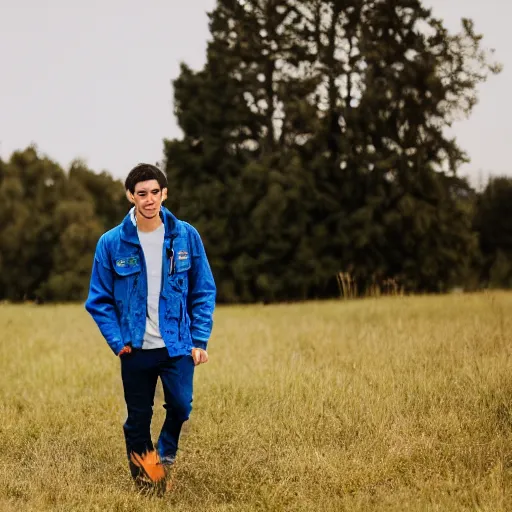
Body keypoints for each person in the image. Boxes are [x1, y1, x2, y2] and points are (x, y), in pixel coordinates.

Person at [85, 163, 216, 490]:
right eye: (141, 193)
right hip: (135, 348)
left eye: (154, 192)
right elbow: (98, 299)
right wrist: (117, 341)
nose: (149, 199)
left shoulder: (185, 235)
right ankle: (151, 483)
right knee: (138, 420)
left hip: (178, 345)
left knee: (182, 406)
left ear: (164, 193)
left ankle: (166, 454)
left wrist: (199, 339)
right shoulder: (111, 243)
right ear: (131, 196)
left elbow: (203, 290)